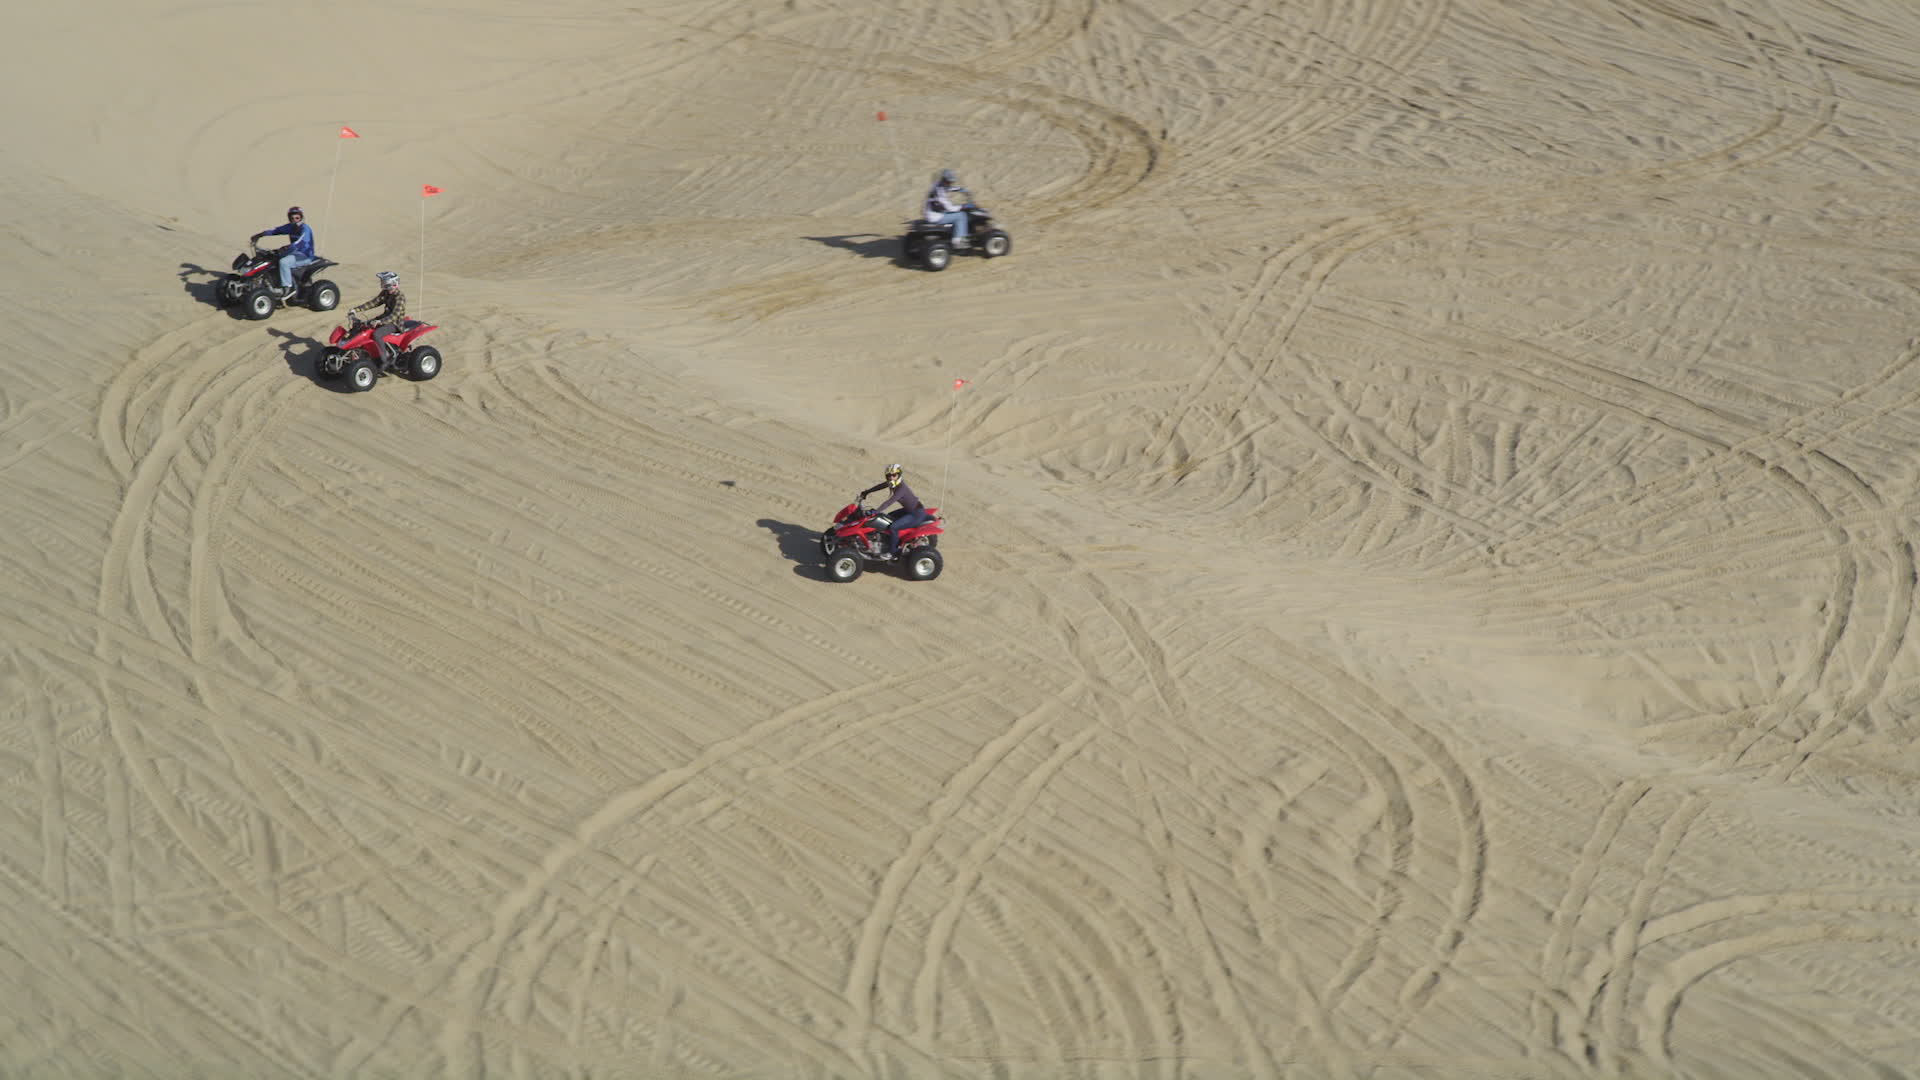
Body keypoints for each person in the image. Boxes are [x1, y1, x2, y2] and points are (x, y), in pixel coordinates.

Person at [860, 463, 930, 555]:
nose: (891, 478)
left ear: (899, 475)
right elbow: (881, 486)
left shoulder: (901, 488)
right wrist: (867, 492)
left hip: (916, 513)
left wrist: (877, 511)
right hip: (908, 510)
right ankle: (886, 541)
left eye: (894, 475)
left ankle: (893, 552)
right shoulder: (893, 483)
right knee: (887, 518)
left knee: (894, 527)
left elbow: (889, 502)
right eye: (889, 475)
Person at [249, 206, 318, 296]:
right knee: (272, 258)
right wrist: (261, 234)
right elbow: (276, 230)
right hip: (294, 252)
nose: (295, 220)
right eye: (292, 218)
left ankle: (287, 288)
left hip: (305, 255)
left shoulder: (305, 229)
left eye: (297, 218)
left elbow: (300, 243)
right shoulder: (291, 227)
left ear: (301, 217)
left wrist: (286, 248)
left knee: (284, 262)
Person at [348, 271, 408, 365]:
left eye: (386, 285)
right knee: (363, 326)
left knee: (377, 334)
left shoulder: (400, 297)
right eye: (384, 284)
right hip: (384, 319)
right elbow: (374, 302)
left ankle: (384, 358)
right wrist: (356, 310)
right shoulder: (386, 293)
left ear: (394, 284)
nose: (384, 286)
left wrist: (380, 321)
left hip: (395, 324)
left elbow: (394, 315)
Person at [923, 168, 972, 248]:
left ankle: (953, 233)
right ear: (944, 180)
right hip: (936, 216)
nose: (950, 183)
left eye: (951, 182)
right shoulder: (941, 194)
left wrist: (960, 189)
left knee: (954, 214)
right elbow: (950, 208)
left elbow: (948, 188)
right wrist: (963, 206)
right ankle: (958, 241)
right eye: (948, 182)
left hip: (930, 212)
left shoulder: (936, 184)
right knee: (961, 216)